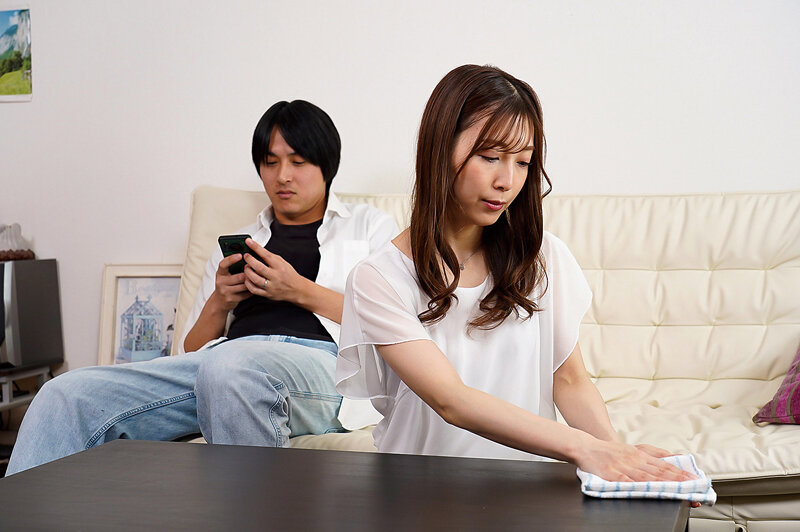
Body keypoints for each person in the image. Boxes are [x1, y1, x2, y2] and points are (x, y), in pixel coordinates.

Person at [335, 64, 694, 483]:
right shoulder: (379, 278)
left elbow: (569, 380)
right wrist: (586, 449)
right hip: (422, 490)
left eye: (523, 162)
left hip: (525, 488)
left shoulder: (541, 257)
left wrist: (616, 456)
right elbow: (451, 400)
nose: (507, 180)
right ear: (439, 148)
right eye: (490, 157)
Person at [7, 100, 398, 475]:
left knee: (231, 369)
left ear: (327, 164)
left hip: (323, 367)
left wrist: (297, 290)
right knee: (63, 396)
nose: (282, 176)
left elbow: (398, 323)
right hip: (220, 362)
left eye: (297, 162)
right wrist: (219, 302)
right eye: (270, 162)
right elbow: (190, 353)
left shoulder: (369, 227)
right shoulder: (239, 241)